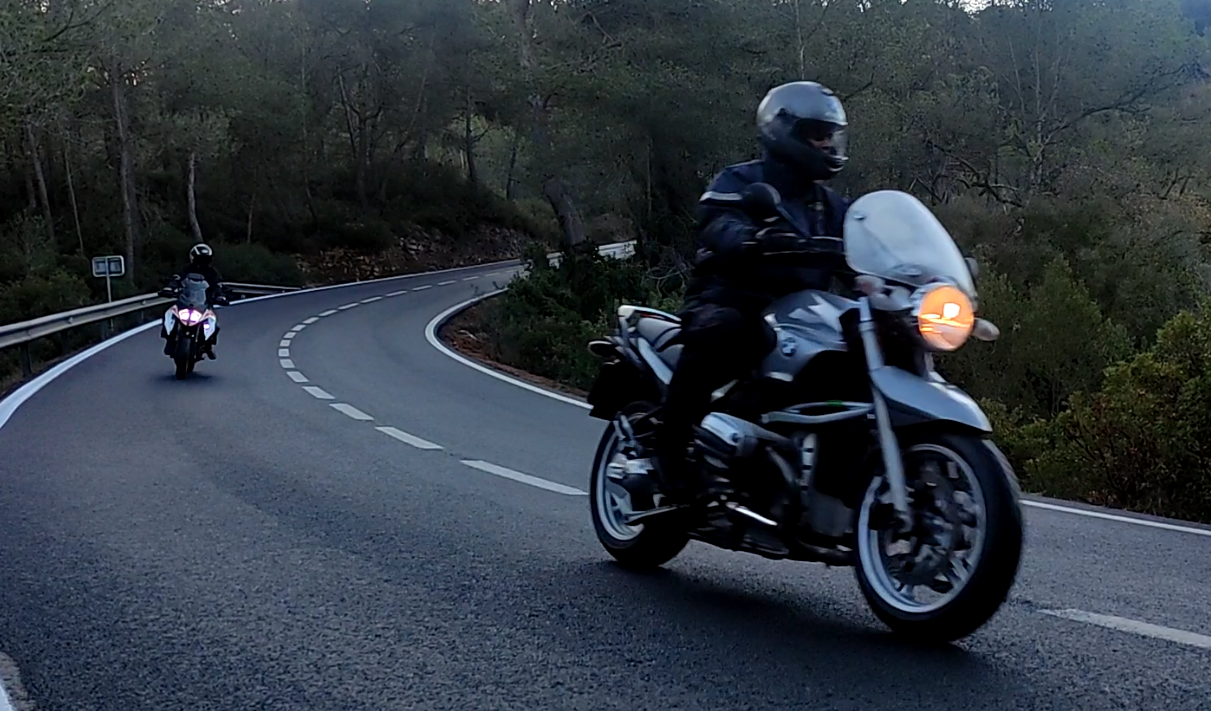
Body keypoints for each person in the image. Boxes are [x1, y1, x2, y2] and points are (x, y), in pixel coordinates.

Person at [630, 80, 853, 506]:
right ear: (784, 131)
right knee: (731, 330)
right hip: (731, 296)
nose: (827, 144)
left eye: (831, 135)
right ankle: (670, 449)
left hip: (802, 314)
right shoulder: (742, 180)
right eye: (817, 134)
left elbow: (859, 251)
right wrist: (750, 238)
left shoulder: (832, 206)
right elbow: (717, 221)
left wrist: (897, 274)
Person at [162, 243, 225, 358]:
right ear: (193, 258)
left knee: (213, 322)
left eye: (205, 259)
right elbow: (177, 278)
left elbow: (217, 284)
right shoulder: (186, 269)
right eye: (200, 259)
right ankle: (169, 339)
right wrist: (170, 287)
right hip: (186, 300)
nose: (202, 262)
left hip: (203, 302)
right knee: (170, 314)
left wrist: (220, 296)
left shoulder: (212, 272)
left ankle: (208, 345)